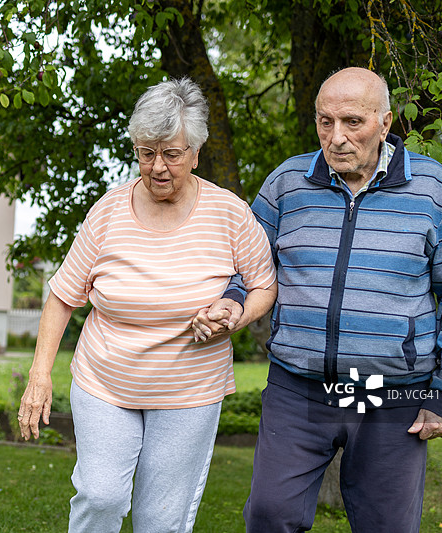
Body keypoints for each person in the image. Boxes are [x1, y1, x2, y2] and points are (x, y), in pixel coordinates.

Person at [192, 67, 442, 532]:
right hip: (298, 387)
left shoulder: (433, 188)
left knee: (386, 526)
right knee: (269, 515)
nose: (337, 137)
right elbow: (245, 267)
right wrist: (232, 301)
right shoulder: (287, 183)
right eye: (325, 121)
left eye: (352, 122)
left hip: (394, 396)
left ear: (385, 124)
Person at [17, 77, 278, 533]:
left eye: (171, 154)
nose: (157, 167)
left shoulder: (231, 214)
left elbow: (263, 286)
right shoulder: (107, 212)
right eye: (145, 152)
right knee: (100, 496)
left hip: (189, 392)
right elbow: (62, 294)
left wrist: (234, 315)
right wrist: (40, 373)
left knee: (161, 519)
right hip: (105, 382)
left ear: (195, 152)